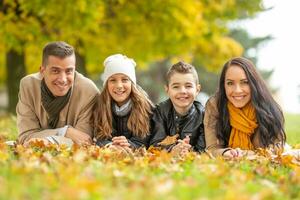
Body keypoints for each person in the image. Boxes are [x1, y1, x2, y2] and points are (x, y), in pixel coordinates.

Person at [17, 41, 99, 147]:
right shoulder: (28, 86)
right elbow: (25, 137)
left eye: (69, 71)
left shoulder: (89, 92)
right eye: (55, 71)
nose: (63, 79)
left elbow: (83, 141)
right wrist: (64, 132)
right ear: (42, 70)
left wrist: (41, 139)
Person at [204, 57, 286, 158]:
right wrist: (225, 153)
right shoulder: (215, 105)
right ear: (223, 85)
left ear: (254, 84)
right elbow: (211, 149)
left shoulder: (269, 109)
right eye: (230, 83)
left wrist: (246, 154)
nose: (237, 90)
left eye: (245, 82)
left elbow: (276, 148)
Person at [93, 54, 153, 149]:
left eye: (125, 80)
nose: (119, 85)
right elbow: (100, 137)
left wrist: (128, 145)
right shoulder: (101, 106)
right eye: (113, 80)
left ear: (132, 83)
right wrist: (110, 145)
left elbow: (144, 140)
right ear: (106, 84)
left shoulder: (144, 107)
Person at [150, 61, 206, 154]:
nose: (183, 91)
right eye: (176, 87)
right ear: (167, 90)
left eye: (188, 86)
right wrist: (172, 150)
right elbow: (155, 144)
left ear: (197, 89)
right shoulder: (160, 112)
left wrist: (189, 152)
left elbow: (203, 149)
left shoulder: (203, 115)